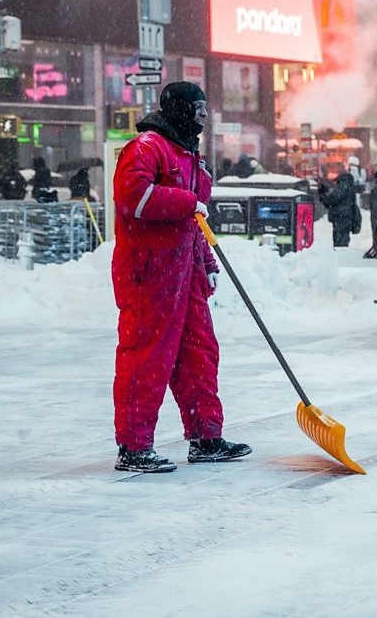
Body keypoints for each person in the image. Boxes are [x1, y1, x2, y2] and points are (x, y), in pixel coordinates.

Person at [111, 81, 250, 473]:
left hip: (184, 270)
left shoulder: (189, 154)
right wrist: (189, 201)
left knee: (199, 352)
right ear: (179, 110)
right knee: (146, 357)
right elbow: (134, 197)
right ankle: (134, 447)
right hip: (150, 272)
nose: (202, 117)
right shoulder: (147, 148)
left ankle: (206, 436)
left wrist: (204, 261)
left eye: (205, 109)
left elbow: (194, 222)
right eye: (197, 109)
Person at [318, 172, 361, 247]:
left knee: (339, 239)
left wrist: (323, 195)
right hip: (346, 216)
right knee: (344, 237)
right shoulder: (349, 186)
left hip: (341, 217)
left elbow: (334, 199)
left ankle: (340, 254)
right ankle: (342, 251)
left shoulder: (343, 186)